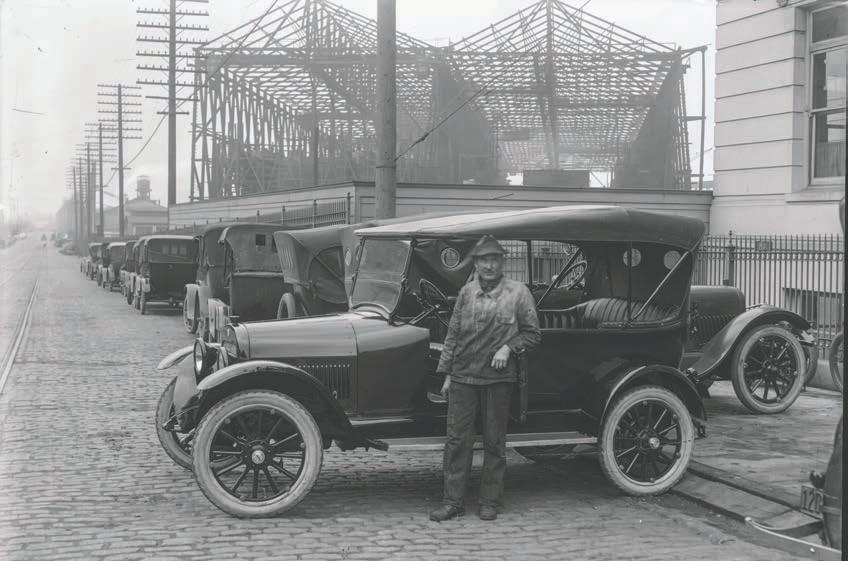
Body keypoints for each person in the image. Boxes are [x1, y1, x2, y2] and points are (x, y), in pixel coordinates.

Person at [429, 234, 541, 522]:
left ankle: (490, 501)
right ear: (476, 264)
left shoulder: (518, 293)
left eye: (494, 259)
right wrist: (447, 374)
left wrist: (509, 347)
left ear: (502, 262)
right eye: (483, 260)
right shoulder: (466, 293)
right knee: (457, 441)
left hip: (498, 380)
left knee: (494, 442)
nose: (489, 266)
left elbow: (532, 334)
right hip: (463, 377)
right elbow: (453, 335)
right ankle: (452, 502)